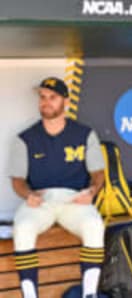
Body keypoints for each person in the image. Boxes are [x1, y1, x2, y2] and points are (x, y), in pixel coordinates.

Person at [9, 77, 105, 298]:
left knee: (94, 225)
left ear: (66, 102)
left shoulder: (84, 134)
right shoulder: (25, 138)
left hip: (74, 199)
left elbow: (98, 173)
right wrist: (28, 194)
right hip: (41, 200)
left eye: (53, 98)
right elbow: (17, 181)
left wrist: (92, 191)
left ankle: (89, 294)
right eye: (43, 97)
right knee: (22, 228)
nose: (46, 102)